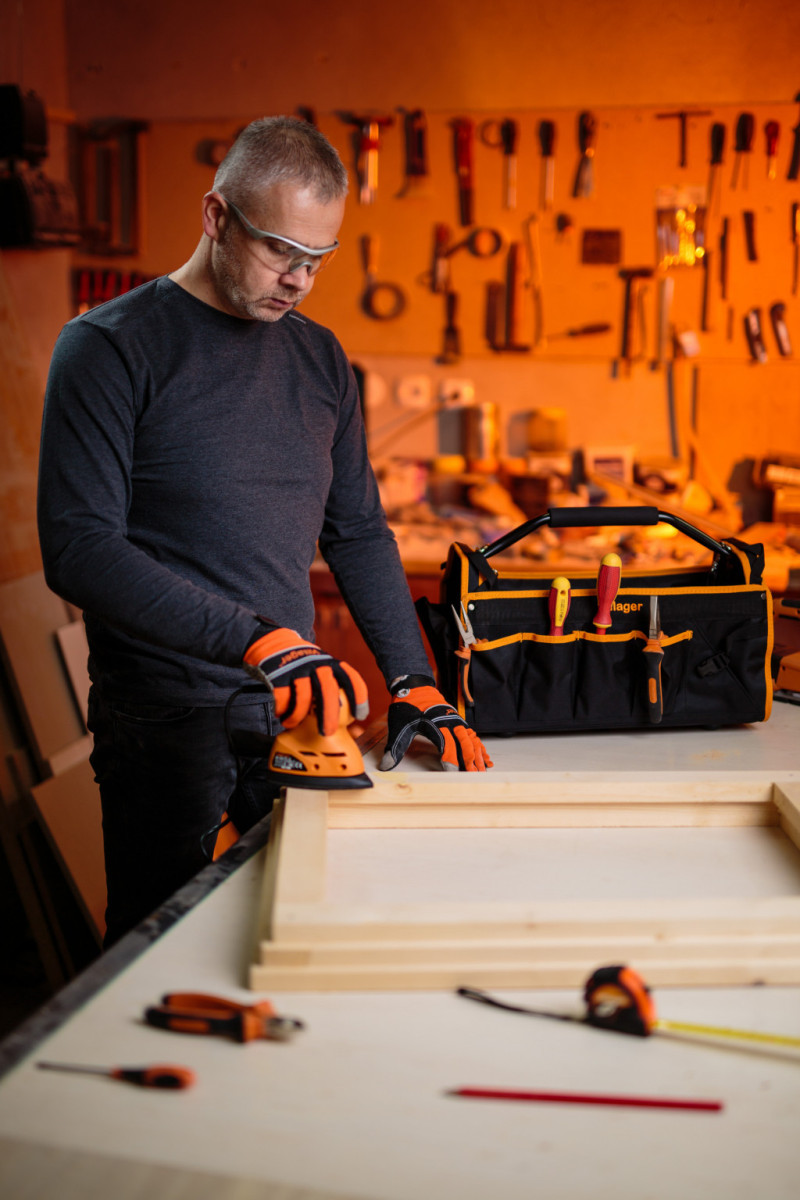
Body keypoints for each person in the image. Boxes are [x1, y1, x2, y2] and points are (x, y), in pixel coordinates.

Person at [37, 116, 492, 946]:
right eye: (281, 250)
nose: (299, 280)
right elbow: (80, 549)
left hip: (295, 707)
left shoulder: (321, 359)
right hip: (168, 719)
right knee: (164, 946)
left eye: (319, 258)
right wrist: (258, 639)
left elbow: (358, 531)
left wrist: (413, 679)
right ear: (216, 216)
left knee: (293, 932)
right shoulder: (107, 347)